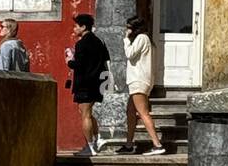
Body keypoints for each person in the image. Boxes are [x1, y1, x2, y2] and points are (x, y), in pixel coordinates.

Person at [119, 15, 165, 156]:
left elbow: (130, 54)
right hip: (140, 80)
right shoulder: (148, 41)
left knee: (143, 113)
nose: (127, 30)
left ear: (134, 28)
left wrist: (126, 40)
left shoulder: (141, 39)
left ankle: (157, 145)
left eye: (128, 27)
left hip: (138, 80)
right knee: (130, 112)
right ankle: (129, 144)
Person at [66, 13, 110, 157]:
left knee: (85, 115)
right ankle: (98, 139)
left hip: (85, 83)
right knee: (87, 113)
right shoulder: (99, 42)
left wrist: (69, 61)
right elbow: (106, 60)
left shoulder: (81, 44)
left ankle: (90, 146)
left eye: (76, 26)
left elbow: (79, 65)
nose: (74, 28)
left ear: (83, 27)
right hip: (98, 82)